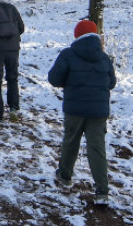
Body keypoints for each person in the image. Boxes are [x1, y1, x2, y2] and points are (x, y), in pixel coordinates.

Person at [47, 19, 116, 207]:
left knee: (71, 141)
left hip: (74, 108)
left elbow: (54, 79)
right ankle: (102, 191)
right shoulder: (104, 58)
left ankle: (65, 175)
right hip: (99, 110)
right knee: (97, 148)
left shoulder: (68, 54)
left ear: (77, 35)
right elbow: (111, 83)